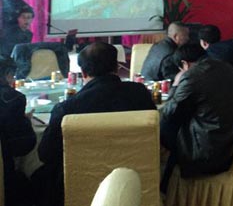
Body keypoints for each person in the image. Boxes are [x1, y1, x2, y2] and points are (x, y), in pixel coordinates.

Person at [33, 42, 156, 206]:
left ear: (83, 72)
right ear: (116, 67)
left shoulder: (68, 109)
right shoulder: (140, 94)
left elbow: (45, 154)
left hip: (78, 188)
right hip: (134, 184)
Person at [159, 44, 233, 193]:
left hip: (210, 152)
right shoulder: (225, 66)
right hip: (232, 141)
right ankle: (167, 183)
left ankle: (165, 186)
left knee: (163, 127)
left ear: (185, 64)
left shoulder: (193, 75)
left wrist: (176, 84)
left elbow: (169, 112)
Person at [0, 58, 36, 206]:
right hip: (5, 172)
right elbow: (23, 145)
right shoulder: (14, 99)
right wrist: (25, 120)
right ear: (8, 75)